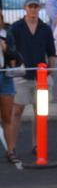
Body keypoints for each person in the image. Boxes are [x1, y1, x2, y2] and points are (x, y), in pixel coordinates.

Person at [10, 0, 56, 154]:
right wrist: (13, 68)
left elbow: (51, 52)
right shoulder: (16, 27)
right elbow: (10, 51)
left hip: (41, 77)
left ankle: (37, 144)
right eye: (31, 6)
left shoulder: (45, 28)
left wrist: (51, 69)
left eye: (36, 6)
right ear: (25, 8)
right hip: (21, 76)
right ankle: (12, 146)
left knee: (40, 112)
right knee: (16, 111)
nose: (33, 9)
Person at [0, 22, 21, 163]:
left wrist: (5, 47)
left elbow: (15, 55)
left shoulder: (6, 35)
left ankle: (11, 150)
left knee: (7, 116)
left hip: (5, 76)